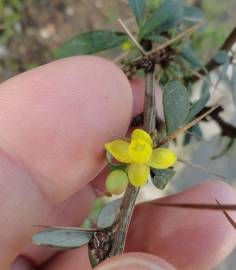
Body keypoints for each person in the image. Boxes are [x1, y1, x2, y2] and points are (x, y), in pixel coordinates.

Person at [0, 56, 235, 270]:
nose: (139, 144)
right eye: (138, 143)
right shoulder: (126, 158)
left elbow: (150, 166)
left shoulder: (145, 167)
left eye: (142, 144)